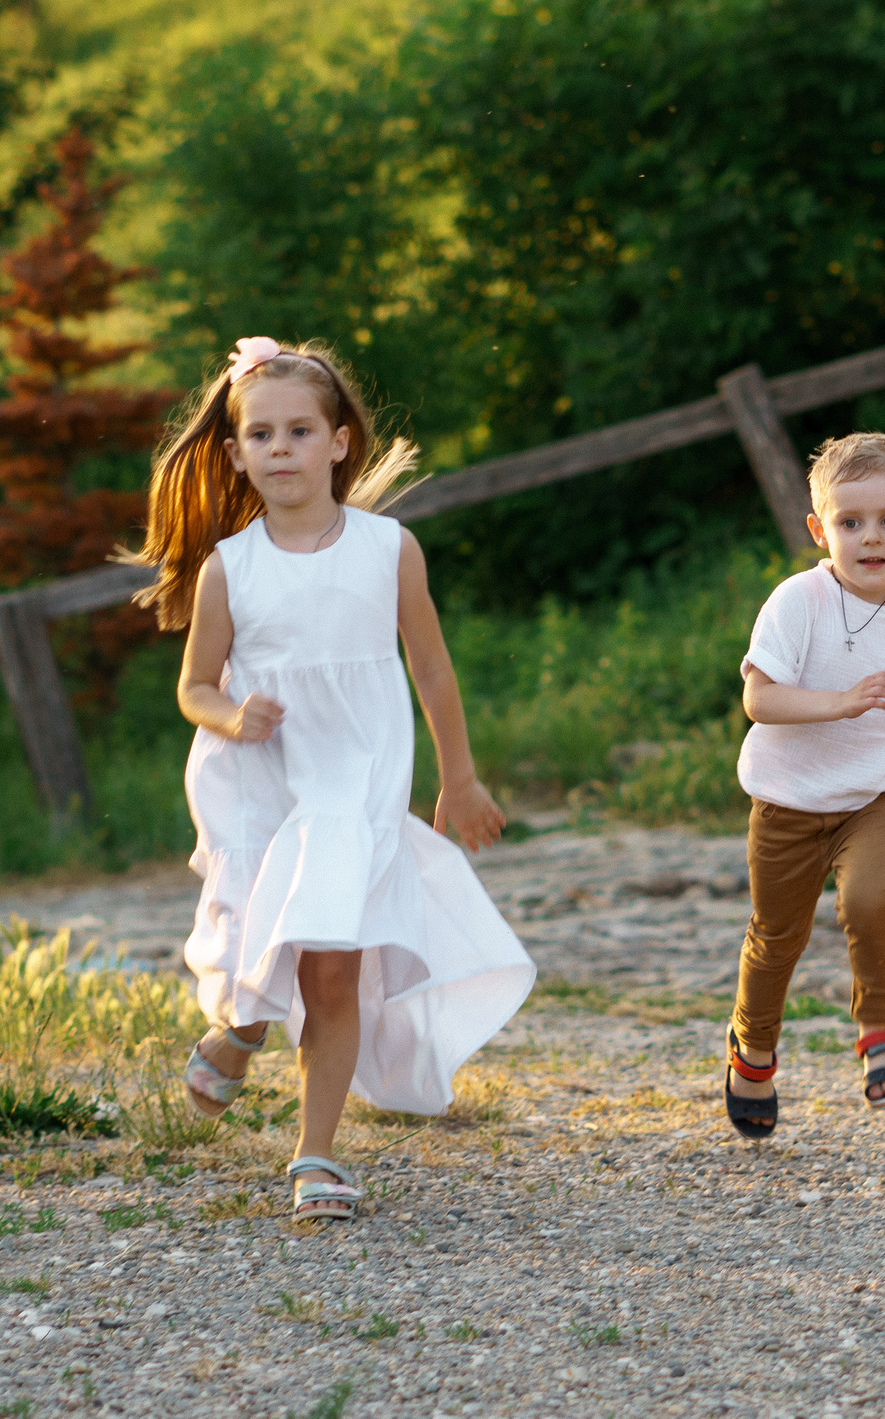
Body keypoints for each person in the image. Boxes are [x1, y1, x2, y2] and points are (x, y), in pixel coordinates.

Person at [126, 336, 535, 1224]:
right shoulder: (229, 567)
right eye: (261, 434)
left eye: (300, 430)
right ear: (234, 453)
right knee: (265, 937)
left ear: (340, 441)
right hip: (262, 777)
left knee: (334, 973)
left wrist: (458, 780)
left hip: (355, 782)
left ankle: (315, 1153)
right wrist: (233, 715)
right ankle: (240, 1025)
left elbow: (431, 669)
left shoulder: (390, 549)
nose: (281, 448)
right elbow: (195, 685)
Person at [723, 431, 885, 1137]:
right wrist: (841, 700)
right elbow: (759, 701)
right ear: (820, 530)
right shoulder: (798, 602)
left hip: (879, 793)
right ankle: (753, 1050)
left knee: (868, 897)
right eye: (850, 523)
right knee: (777, 935)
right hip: (789, 799)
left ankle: (880, 1028)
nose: (870, 538)